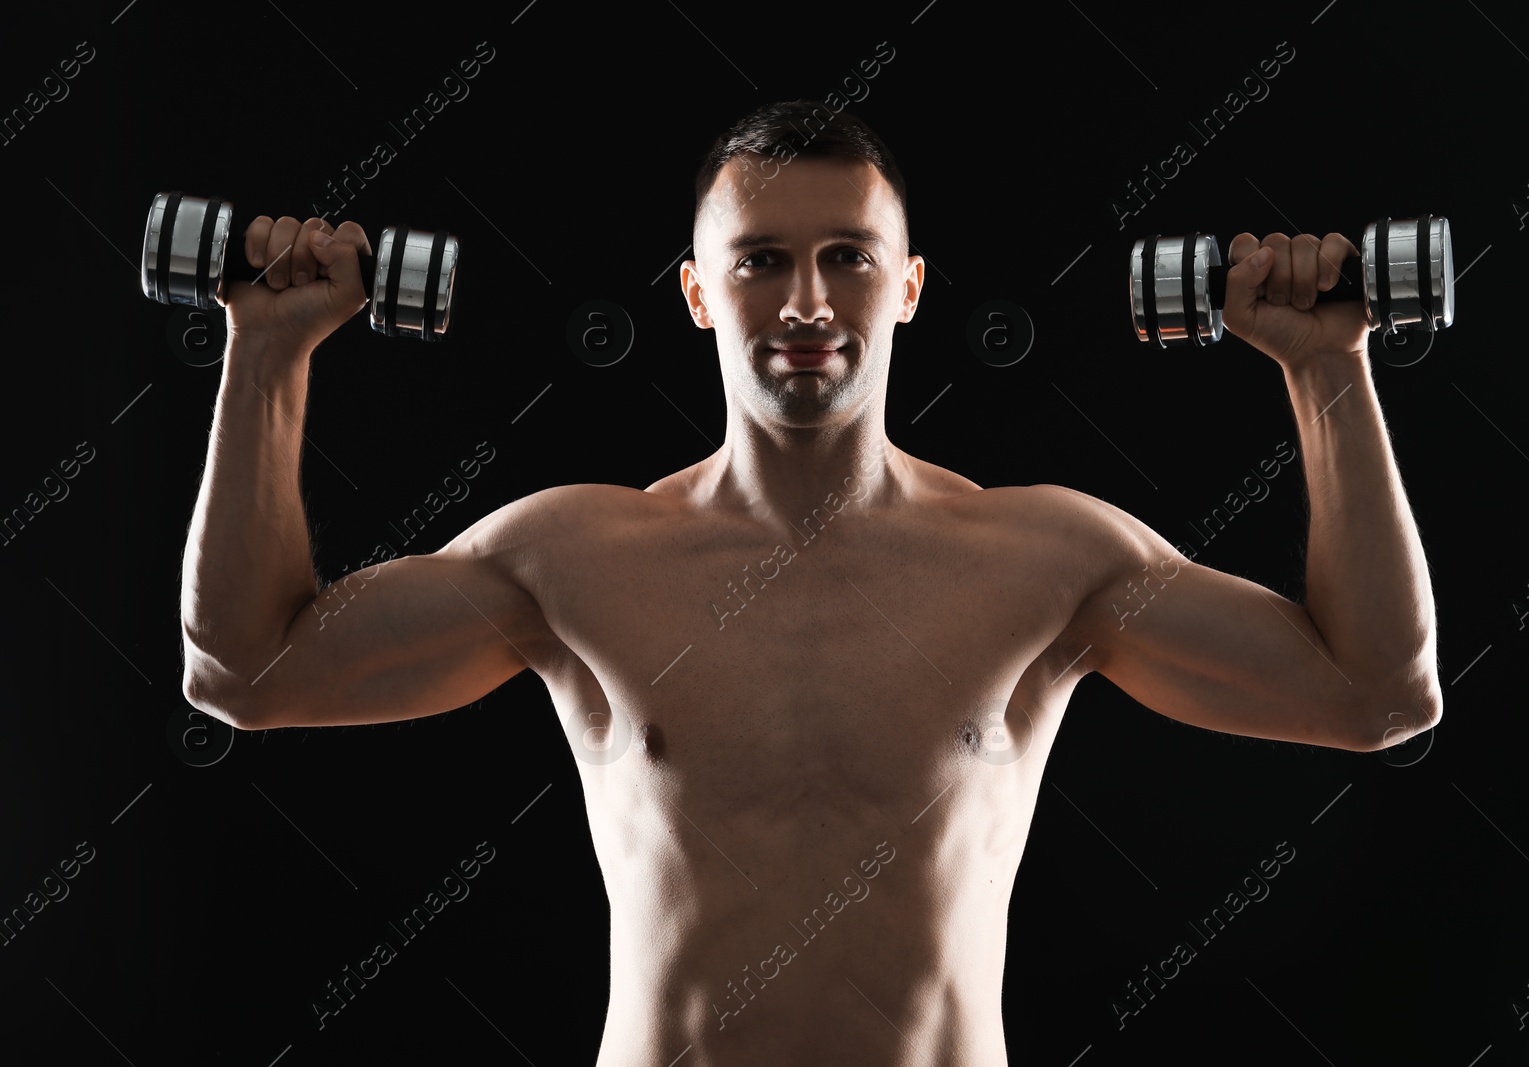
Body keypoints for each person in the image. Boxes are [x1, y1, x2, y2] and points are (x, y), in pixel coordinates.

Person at [180, 100, 1441, 1064]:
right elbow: (247, 670)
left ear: (907, 288)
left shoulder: (1047, 556)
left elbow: (1374, 691)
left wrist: (1327, 366)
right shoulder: (569, 554)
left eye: (847, 256)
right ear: (693, 292)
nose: (804, 300)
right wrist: (268, 351)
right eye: (758, 260)